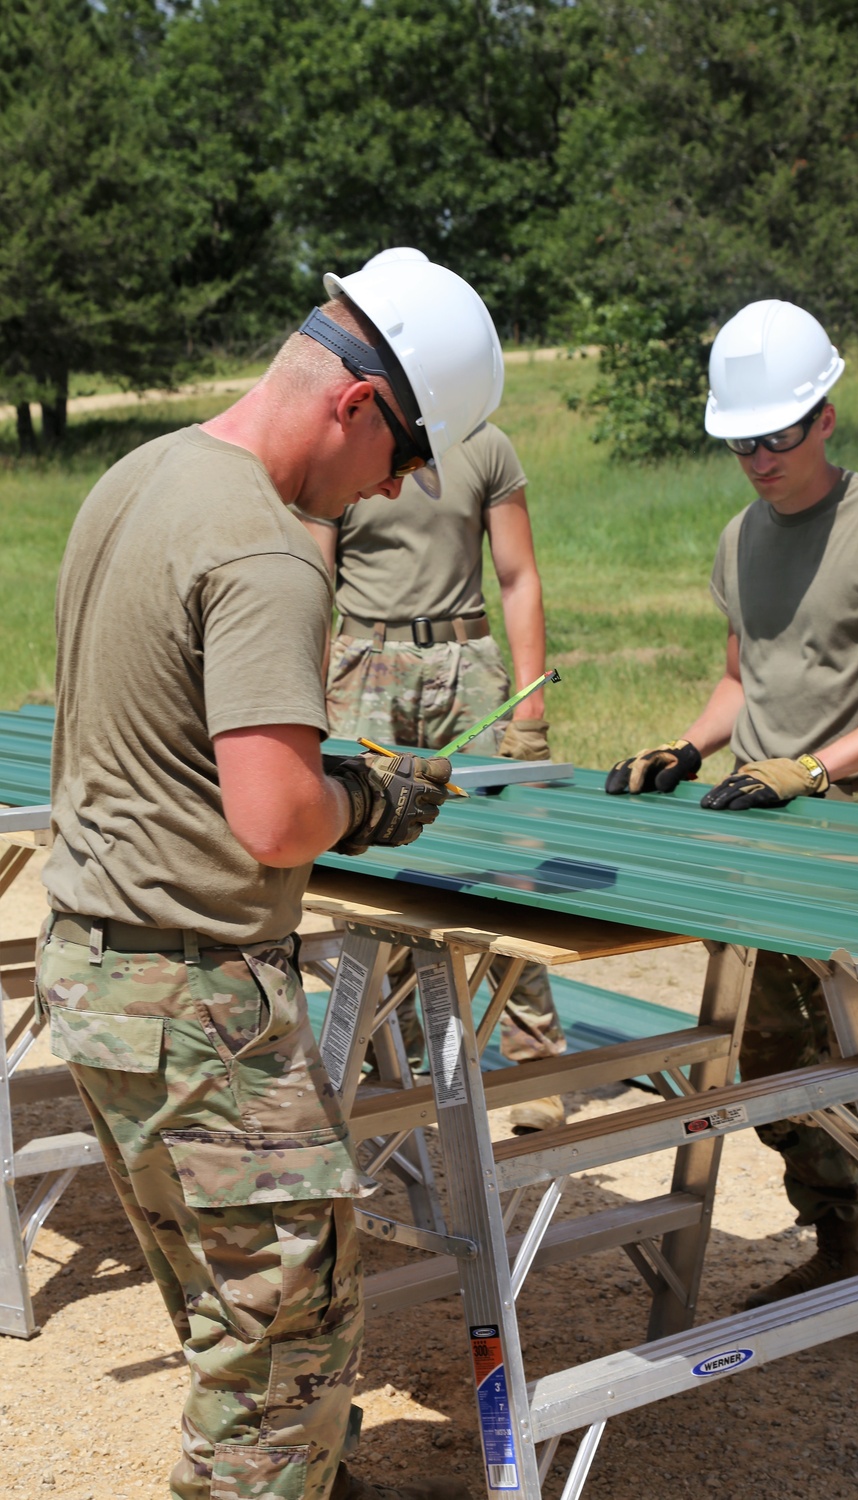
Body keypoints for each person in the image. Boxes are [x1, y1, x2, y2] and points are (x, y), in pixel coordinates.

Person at [35, 256, 505, 1500]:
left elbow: (167, 735)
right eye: (404, 456)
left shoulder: (139, 478)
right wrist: (376, 799)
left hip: (96, 969)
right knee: (285, 1335)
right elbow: (274, 817)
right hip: (198, 999)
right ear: (358, 405)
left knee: (222, 1300)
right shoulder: (270, 547)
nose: (399, 486)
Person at [604, 297, 858, 1385]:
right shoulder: (738, 540)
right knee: (766, 1060)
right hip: (755, 834)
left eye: (774, 436)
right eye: (739, 441)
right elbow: (742, 679)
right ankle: (834, 1242)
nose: (756, 460)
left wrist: (813, 770)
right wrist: (683, 750)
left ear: (825, 415)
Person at [299, 247, 567, 1133]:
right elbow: (314, 575)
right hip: (365, 666)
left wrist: (527, 707)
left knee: (503, 865)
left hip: (465, 667)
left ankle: (533, 1063)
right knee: (376, 865)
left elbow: (518, 576)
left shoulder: (487, 447)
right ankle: (396, 1067)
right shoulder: (350, 443)